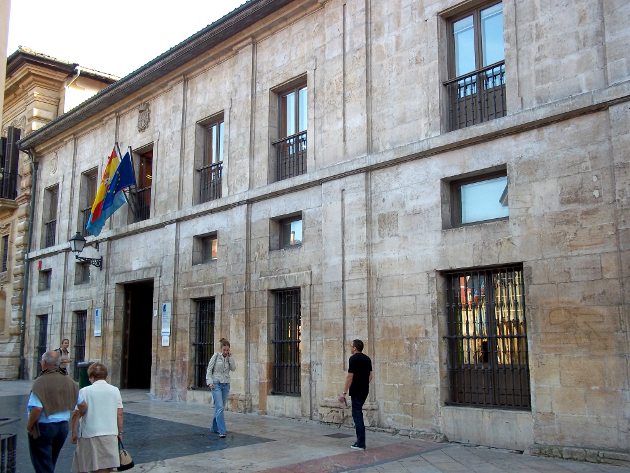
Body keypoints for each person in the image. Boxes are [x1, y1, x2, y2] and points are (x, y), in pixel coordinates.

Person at [26, 350, 86, 473]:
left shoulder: (41, 382)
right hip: (62, 427)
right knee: (50, 461)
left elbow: (37, 408)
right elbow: (82, 404)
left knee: (43, 464)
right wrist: (80, 415)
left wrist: (29, 426)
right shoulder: (69, 381)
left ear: (43, 363)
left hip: (44, 427)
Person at [70, 362, 123, 473]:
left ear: (93, 377)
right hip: (110, 433)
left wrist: (73, 432)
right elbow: (119, 414)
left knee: (86, 465)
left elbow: (76, 413)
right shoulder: (115, 390)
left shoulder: (84, 391)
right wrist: (120, 432)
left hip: (90, 434)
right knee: (105, 467)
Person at [339, 339, 373, 451]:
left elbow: (350, 376)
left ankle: (360, 443)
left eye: (351, 346)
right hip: (364, 390)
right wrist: (364, 384)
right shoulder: (367, 359)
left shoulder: (353, 359)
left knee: (357, 416)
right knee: (358, 414)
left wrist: (343, 393)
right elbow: (370, 376)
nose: (350, 348)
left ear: (354, 348)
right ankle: (360, 441)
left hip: (356, 391)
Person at [206, 338, 236, 438]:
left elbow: (233, 369)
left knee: (220, 407)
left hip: (225, 384)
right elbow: (209, 369)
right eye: (224, 350)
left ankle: (214, 427)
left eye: (227, 350)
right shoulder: (215, 356)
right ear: (221, 349)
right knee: (219, 407)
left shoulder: (229, 358)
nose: (225, 352)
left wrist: (231, 358)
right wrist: (209, 382)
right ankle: (222, 430)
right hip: (216, 384)